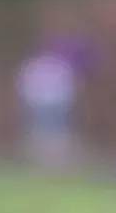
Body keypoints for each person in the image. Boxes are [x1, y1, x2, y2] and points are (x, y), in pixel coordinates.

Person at [17, 38, 90, 168]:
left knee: (54, 131)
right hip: (45, 105)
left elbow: (67, 85)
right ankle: (45, 160)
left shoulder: (51, 65)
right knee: (45, 130)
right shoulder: (42, 65)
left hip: (52, 104)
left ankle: (55, 160)